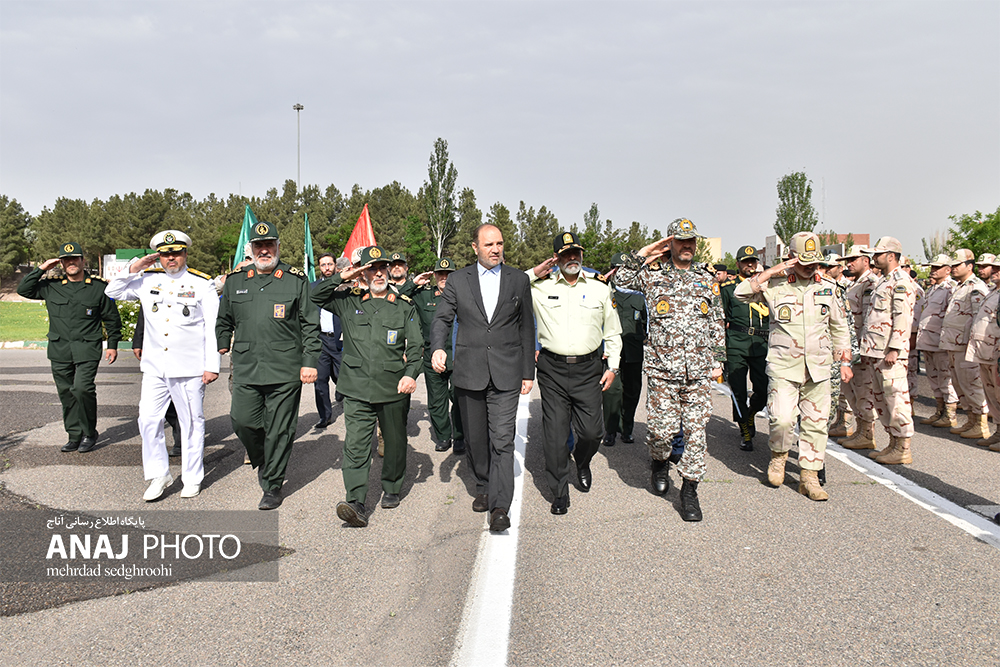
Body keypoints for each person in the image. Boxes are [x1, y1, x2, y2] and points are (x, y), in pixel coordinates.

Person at [615, 218, 725, 522]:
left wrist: (718, 360)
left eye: (691, 241)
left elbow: (716, 319)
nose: (687, 245)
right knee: (661, 432)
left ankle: (690, 489)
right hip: (663, 369)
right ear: (671, 243)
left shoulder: (706, 277)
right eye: (681, 240)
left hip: (698, 371)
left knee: (696, 433)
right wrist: (651, 250)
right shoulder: (652, 275)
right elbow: (621, 278)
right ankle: (660, 462)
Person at [430, 223, 535, 533]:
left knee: (502, 440)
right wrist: (438, 348)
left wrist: (527, 372)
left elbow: (526, 327)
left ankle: (500, 507)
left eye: (499, 243)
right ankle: (484, 485)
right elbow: (442, 318)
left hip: (506, 372)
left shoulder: (518, 279)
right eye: (489, 244)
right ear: (475, 247)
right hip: (469, 372)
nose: (495, 249)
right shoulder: (458, 280)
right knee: (476, 440)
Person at [734, 232, 851, 500]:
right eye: (804, 262)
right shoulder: (774, 284)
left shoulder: (828, 286)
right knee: (782, 418)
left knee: (816, 423)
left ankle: (809, 477)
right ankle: (779, 457)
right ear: (790, 258)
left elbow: (839, 326)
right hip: (784, 365)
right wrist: (771, 271)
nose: (811, 268)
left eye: (815, 263)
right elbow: (741, 294)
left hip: (819, 366)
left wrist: (844, 360)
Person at [312, 246, 422, 527]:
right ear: (363, 273)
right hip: (357, 387)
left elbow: (416, 346)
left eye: (382, 268)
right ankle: (355, 501)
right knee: (356, 445)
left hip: (392, 386)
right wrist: (342, 276)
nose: (378, 273)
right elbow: (314, 295)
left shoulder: (404, 305)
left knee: (395, 442)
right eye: (371, 269)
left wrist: (411, 374)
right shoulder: (347, 301)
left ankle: (392, 486)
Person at [105, 230, 220, 500]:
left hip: (190, 368)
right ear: (159, 256)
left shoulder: (201, 284)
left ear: (185, 254)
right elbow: (112, 291)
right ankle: (159, 474)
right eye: (166, 254)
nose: (171, 259)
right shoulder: (147, 280)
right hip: (155, 367)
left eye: (176, 253)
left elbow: (212, 328)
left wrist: (212, 365)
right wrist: (135, 267)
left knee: (191, 423)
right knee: (147, 420)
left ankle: (192, 477)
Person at [215, 220, 320, 510]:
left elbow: (310, 325)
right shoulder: (236, 281)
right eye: (259, 245)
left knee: (280, 430)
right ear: (251, 249)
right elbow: (224, 318)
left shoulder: (295, 280)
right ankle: (263, 457)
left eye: (269, 245)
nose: (264, 250)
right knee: (242, 420)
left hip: (285, 367)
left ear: (277, 246)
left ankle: (272, 484)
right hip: (246, 365)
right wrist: (222, 341)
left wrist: (309, 362)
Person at [527, 232, 622, 515]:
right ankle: (559, 491)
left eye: (576, 253)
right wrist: (534, 272)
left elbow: (613, 330)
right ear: (556, 258)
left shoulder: (599, 287)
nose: (572, 258)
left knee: (592, 433)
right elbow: (508, 287)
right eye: (565, 254)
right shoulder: (539, 286)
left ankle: (582, 461)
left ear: (581, 255)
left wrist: (613, 366)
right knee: (555, 437)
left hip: (589, 369)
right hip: (552, 370)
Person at [17, 242, 121, 453]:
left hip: (87, 348)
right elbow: (23, 289)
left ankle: (89, 433)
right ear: (61, 263)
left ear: (83, 260)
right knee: (66, 393)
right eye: (66, 260)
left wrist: (112, 345)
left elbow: (112, 319)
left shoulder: (99, 287)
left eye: (75, 259)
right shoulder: (51, 286)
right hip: (60, 349)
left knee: (82, 389)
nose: (71, 263)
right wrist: (42, 268)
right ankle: (74, 435)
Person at [860, 237, 917, 465]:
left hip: (889, 352)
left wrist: (895, 348)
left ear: (891, 256)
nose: (874, 258)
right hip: (876, 350)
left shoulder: (901, 281)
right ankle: (893, 443)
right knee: (882, 399)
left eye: (878, 254)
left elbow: (903, 317)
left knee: (896, 398)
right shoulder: (884, 281)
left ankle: (903, 448)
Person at [402, 258, 465, 453]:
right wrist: (414, 283)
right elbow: (397, 297)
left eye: (448, 274)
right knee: (437, 401)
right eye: (440, 274)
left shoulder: (464, 294)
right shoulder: (424, 295)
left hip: (458, 356)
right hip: (432, 356)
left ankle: (460, 436)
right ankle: (444, 436)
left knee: (459, 398)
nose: (444, 277)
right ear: (435, 275)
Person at [719, 244, 769, 451]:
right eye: (746, 262)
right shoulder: (728, 288)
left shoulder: (767, 287)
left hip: (761, 344)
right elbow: (720, 321)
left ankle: (751, 413)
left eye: (753, 261)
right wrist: (719, 354)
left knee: (764, 389)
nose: (750, 265)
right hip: (736, 343)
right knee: (738, 390)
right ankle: (744, 430)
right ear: (738, 264)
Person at [939, 249, 990, 439]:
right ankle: (971, 420)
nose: (953, 268)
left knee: (972, 384)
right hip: (954, 344)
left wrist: (973, 345)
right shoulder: (960, 286)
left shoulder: (976, 287)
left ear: (969, 266)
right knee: (960, 384)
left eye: (957, 265)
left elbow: (979, 318)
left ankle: (981, 424)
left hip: (965, 346)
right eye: (952, 265)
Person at [602, 252, 647, 446]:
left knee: (632, 391)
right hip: (611, 351)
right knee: (611, 392)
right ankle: (610, 430)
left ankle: (627, 429)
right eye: (617, 269)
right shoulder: (605, 291)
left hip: (633, 350)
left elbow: (647, 322)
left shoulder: (641, 296)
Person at [838, 246, 881, 450]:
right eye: (848, 260)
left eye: (854, 259)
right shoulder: (855, 283)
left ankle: (867, 433)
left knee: (864, 390)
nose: (849, 263)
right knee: (851, 389)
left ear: (866, 260)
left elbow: (868, 320)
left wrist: (863, 348)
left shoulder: (870, 283)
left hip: (860, 347)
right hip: (849, 346)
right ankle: (860, 428)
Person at [915, 255, 958, 428]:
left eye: (937, 267)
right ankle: (939, 410)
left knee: (946, 378)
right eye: (932, 267)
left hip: (941, 341)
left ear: (948, 269)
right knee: (933, 377)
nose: (933, 270)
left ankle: (950, 414)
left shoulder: (951, 288)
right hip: (928, 340)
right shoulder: (933, 288)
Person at [131, 310, 182, 458]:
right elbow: (145, 313)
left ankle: (182, 440)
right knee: (157, 405)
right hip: (157, 351)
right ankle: (178, 430)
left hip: (183, 349)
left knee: (182, 400)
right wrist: (138, 341)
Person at [965, 254, 1000, 446]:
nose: (994, 271)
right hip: (986, 351)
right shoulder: (993, 292)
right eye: (994, 268)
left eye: (998, 268)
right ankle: (998, 431)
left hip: (996, 353)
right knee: (991, 394)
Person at [312, 252, 343, 430]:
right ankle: (324, 416)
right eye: (323, 265)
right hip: (321, 340)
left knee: (343, 376)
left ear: (335, 265)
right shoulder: (313, 287)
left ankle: (342, 392)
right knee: (320, 380)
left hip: (340, 339)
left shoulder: (344, 286)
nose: (327, 268)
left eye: (330, 264)